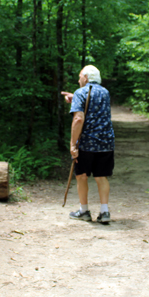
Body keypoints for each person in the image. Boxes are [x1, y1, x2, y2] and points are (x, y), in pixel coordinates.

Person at [61, 65, 115, 223]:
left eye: (79, 77)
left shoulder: (81, 92)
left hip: (86, 143)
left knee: (81, 176)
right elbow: (93, 105)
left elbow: (78, 119)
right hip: (105, 141)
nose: (78, 80)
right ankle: (104, 211)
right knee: (101, 176)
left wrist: (72, 144)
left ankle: (84, 211)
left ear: (86, 77)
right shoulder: (105, 92)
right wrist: (75, 98)